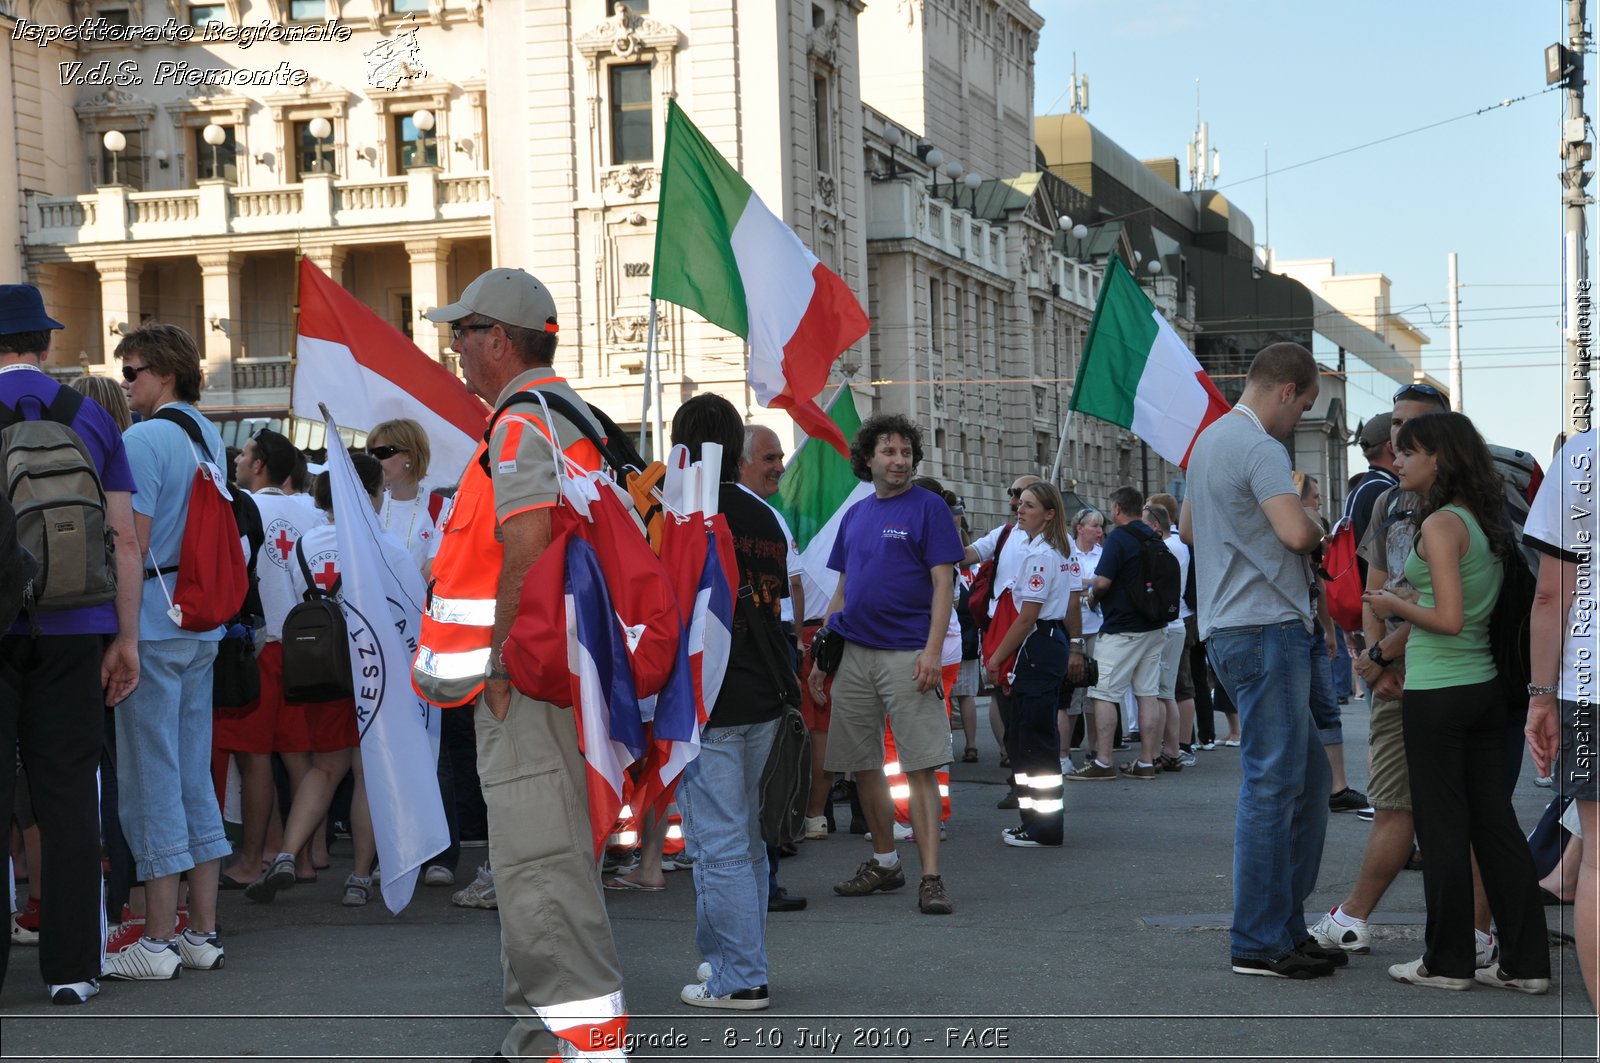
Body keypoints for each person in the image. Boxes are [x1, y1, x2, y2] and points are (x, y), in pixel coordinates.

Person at [414, 268, 627, 1061]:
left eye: (463, 333)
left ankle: (585, 1047)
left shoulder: (521, 425)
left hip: (527, 684)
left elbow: (527, 547)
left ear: (498, 340)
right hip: (549, 679)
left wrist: (500, 666)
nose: (456, 348)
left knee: (541, 870)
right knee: (541, 865)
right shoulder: (559, 417)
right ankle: (542, 1038)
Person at [1314, 382, 1511, 964]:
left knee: (1423, 809)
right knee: (1424, 806)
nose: (1397, 440)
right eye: (1395, 426)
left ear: (1444, 442)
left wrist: (1379, 656)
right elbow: (1376, 587)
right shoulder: (1391, 502)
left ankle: (1441, 932)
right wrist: (1377, 665)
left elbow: (1445, 610)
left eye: (1413, 429)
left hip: (1443, 675)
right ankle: (1460, 935)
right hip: (1407, 676)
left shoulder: (1453, 513)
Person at [1363, 411, 1549, 993]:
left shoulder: (1441, 524)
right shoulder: (1484, 519)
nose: (1398, 461)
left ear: (1439, 459)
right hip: (1485, 690)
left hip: (1440, 693)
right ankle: (1527, 964)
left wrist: (1393, 608)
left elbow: (1445, 618)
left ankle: (1446, 963)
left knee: (1444, 830)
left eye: (1410, 453)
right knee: (1496, 827)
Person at [1179, 342, 1338, 980]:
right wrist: (1322, 525)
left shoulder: (1209, 442)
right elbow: (1297, 536)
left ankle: (1282, 927)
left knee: (1307, 780)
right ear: (1285, 389)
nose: (1298, 419)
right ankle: (1259, 940)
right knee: (1274, 786)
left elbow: (1189, 530)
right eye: (1303, 406)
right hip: (1266, 624)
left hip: (1231, 625)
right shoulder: (1260, 447)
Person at [0, 287, 141, 1005]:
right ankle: (74, 968)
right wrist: (125, 636)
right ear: (46, 345)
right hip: (76, 626)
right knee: (69, 795)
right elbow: (122, 537)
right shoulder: (88, 415)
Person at [101, 324, 229, 983]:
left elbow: (129, 542)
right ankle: (200, 931)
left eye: (133, 370)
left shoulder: (145, 437)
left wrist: (121, 637)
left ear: (167, 373)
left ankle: (155, 939)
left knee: (149, 778)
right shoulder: (207, 436)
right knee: (190, 774)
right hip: (199, 619)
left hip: (153, 619)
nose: (125, 382)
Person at [807, 413, 963, 915]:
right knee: (862, 764)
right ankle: (884, 862)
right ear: (868, 459)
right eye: (889, 452)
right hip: (853, 654)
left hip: (908, 654)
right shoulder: (856, 516)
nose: (899, 461)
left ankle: (932, 877)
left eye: (905, 452)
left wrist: (933, 652)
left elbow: (945, 585)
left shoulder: (930, 508)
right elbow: (843, 590)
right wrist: (821, 653)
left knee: (919, 766)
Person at [669, 395, 791, 1010]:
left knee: (717, 846)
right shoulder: (765, 516)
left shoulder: (684, 510)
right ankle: (738, 960)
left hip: (709, 700)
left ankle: (738, 976)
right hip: (763, 696)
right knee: (742, 843)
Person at [243, 456, 386, 909]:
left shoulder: (303, 543)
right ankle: (359, 877)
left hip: (322, 667)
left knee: (325, 767)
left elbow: (289, 607)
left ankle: (287, 853)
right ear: (369, 495)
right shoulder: (377, 543)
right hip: (370, 667)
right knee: (367, 775)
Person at [217, 429, 322, 891]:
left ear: (259, 466)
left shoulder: (244, 504)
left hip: (260, 646)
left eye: (244, 454)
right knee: (298, 756)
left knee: (253, 757)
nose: (238, 460)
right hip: (304, 646)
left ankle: (252, 860)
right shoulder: (309, 508)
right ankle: (301, 856)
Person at [1524, 428, 1599, 1007]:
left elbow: (1553, 593)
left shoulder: (1580, 456)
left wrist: (1541, 696)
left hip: (1589, 685)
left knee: (1596, 859)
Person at [971, 482, 1083, 846]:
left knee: (1033, 741)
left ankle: (1044, 826)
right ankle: (1034, 820)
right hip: (1046, 643)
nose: (1020, 508)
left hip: (1038, 643)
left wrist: (997, 657)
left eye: (1030, 505)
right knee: (1025, 737)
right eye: (1021, 503)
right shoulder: (1056, 550)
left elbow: (1026, 617)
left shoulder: (1042, 555)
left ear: (1049, 513)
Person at [734, 423, 808, 913]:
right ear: (740, 461)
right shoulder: (748, 513)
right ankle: (759, 883)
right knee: (759, 777)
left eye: (780, 456)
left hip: (768, 648)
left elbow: (791, 588)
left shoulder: (766, 514)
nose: (780, 466)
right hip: (753, 654)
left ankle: (763, 879)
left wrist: (796, 643)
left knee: (766, 774)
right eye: (769, 458)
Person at [1067, 486, 1167, 781]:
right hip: (1153, 624)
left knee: (1103, 693)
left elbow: (1102, 583)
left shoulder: (1119, 539)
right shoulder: (1152, 535)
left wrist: (1092, 597)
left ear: (1117, 509)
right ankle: (1147, 761)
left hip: (1121, 627)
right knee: (1147, 693)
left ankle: (1104, 760)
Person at [1293, 471, 1369, 815]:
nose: (1319, 502)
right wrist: (1326, 629)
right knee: (1315, 709)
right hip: (1296, 628)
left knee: (1321, 709)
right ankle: (1328, 786)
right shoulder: (1299, 527)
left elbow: (1319, 585)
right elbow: (1320, 585)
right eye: (1314, 496)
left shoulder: (1307, 529)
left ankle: (1334, 787)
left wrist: (1327, 629)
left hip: (1304, 628)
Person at [970, 474, 1041, 790]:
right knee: (1009, 710)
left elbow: (1069, 600)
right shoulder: (1004, 534)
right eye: (1013, 495)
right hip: (1000, 633)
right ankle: (1018, 779)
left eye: (1023, 497)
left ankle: (1033, 786)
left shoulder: (1053, 544)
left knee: (1031, 716)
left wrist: (1076, 644)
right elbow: (966, 554)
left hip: (1035, 638)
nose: (1015, 502)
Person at [365, 418, 442, 578]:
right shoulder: (367, 504)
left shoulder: (442, 507)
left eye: (382, 453)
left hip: (417, 602)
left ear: (409, 455)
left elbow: (432, 571)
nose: (373, 460)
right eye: (370, 453)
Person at [1063, 508, 1105, 761]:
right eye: (1094, 526)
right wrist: (1091, 583)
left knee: (1096, 690)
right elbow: (1070, 582)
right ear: (1079, 528)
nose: (1100, 531)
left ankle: (1095, 747)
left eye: (1101, 526)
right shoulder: (1069, 552)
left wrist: (1085, 584)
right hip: (1073, 627)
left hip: (1098, 627)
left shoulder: (1104, 553)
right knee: (1072, 691)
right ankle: (1064, 751)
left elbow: (1105, 582)